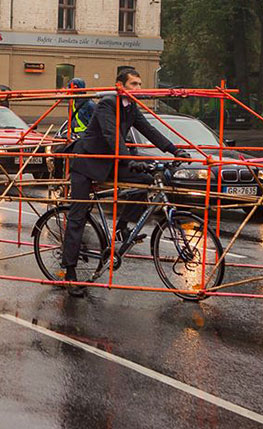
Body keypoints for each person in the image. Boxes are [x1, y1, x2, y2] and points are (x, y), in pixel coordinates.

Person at [61, 68, 189, 297]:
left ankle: (122, 226)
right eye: (133, 84)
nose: (138, 89)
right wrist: (130, 160)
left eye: (140, 84)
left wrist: (175, 150)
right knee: (77, 215)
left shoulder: (131, 107)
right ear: (120, 85)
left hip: (111, 161)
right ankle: (70, 271)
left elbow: (149, 130)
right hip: (88, 162)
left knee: (147, 180)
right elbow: (112, 135)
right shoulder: (107, 103)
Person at [52, 78, 97, 179]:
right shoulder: (72, 102)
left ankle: (73, 178)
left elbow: (95, 124)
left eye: (72, 88)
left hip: (85, 136)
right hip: (73, 135)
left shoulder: (89, 105)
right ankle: (58, 179)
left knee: (75, 156)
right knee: (58, 151)